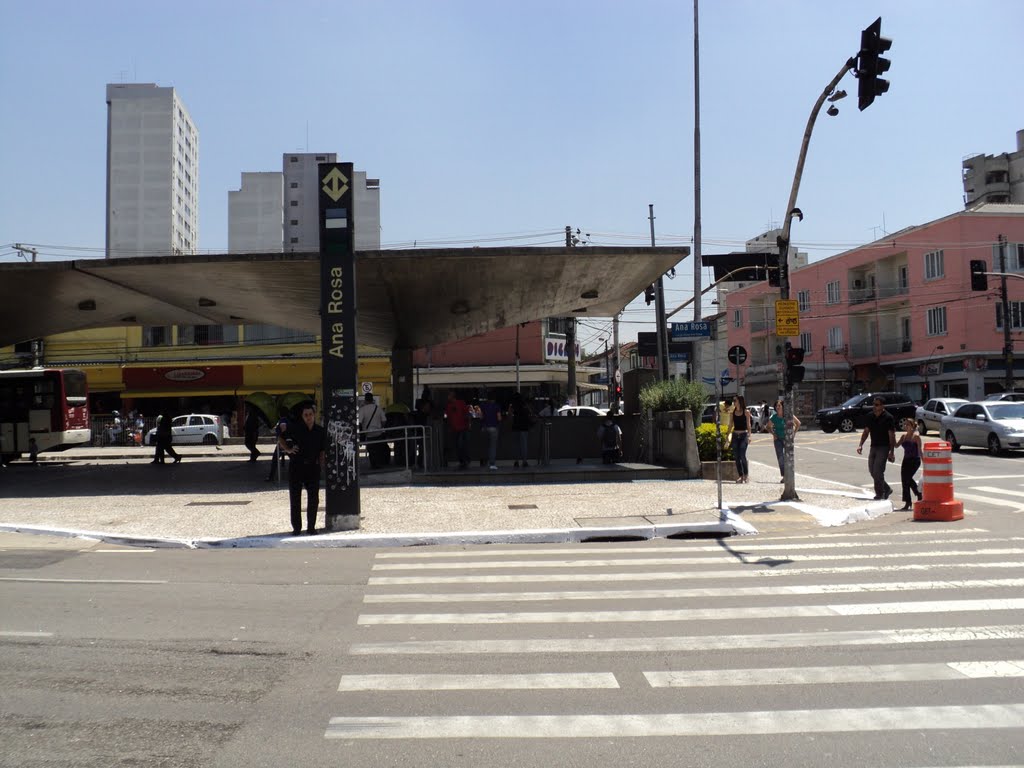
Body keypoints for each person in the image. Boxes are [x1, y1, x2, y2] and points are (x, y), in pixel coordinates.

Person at [280, 403, 326, 535]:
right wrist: (288, 449)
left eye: (310, 414)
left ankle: (311, 527)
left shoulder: (320, 431)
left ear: (314, 415)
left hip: (313, 467)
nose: (308, 417)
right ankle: (296, 528)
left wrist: (321, 466)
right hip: (296, 466)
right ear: (302, 416)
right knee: (295, 499)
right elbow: (280, 438)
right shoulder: (295, 428)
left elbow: (322, 450)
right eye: (306, 415)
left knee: (313, 499)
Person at [856, 397, 897, 500]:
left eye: (877, 405)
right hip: (873, 446)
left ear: (882, 406)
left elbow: (892, 436)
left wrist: (891, 452)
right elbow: (866, 431)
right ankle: (887, 488)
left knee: (878, 471)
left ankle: (880, 493)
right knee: (872, 471)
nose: (874, 406)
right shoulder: (870, 416)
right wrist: (861, 444)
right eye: (874, 404)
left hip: (884, 447)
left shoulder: (888, 417)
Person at [895, 420, 924, 511]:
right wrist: (891, 438)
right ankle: (908, 501)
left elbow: (920, 450)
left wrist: (924, 462)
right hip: (906, 460)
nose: (905, 426)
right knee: (905, 480)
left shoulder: (916, 437)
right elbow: (896, 445)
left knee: (907, 478)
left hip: (915, 460)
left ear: (912, 426)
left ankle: (918, 494)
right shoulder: (903, 437)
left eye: (908, 424)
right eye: (905, 424)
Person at [769, 399, 800, 482]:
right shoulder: (774, 417)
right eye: (776, 406)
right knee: (780, 457)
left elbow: (798, 423)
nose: (777, 407)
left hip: (787, 439)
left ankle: (789, 475)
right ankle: (784, 476)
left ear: (783, 406)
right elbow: (767, 426)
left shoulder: (788, 415)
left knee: (788, 457)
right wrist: (773, 434)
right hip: (778, 439)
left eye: (779, 405)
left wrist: (793, 434)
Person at [359, 393, 387, 469]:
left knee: (371, 450)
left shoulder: (362, 409)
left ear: (365, 400)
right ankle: (379, 464)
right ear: (372, 400)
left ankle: (373, 465)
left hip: (368, 434)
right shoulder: (378, 408)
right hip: (378, 432)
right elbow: (384, 421)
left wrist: (361, 433)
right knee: (378, 449)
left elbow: (359, 422)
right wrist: (380, 426)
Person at [444, 390, 471, 469]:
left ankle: (465, 460)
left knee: (461, 445)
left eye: (449, 396)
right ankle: (463, 461)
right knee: (458, 445)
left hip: (462, 427)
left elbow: (466, 414)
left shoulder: (460, 403)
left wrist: (468, 424)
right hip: (455, 428)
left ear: (452, 396)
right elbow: (449, 418)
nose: (448, 397)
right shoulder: (448, 406)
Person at [508, 393, 533, 468]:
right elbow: (530, 413)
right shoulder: (524, 404)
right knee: (524, 444)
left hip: (515, 426)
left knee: (516, 445)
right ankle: (524, 461)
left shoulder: (513, 406)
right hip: (524, 427)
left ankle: (516, 461)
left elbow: (509, 415)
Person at [265, 410, 291, 482]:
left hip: (283, 442)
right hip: (290, 442)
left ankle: (271, 477)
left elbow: (283, 427)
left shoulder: (283, 420)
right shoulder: (290, 420)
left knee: (275, 459)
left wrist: (281, 436)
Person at [478, 396, 502, 470]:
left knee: (484, 446)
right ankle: (492, 463)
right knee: (492, 447)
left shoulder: (483, 406)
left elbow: (481, 417)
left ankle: (483, 462)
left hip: (484, 428)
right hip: (493, 427)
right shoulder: (496, 406)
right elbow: (499, 418)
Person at [731, 394, 750, 483]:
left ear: (739, 402)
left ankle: (746, 475)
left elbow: (748, 424)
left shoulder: (746, 412)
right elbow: (731, 424)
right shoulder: (733, 412)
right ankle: (740, 476)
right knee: (736, 456)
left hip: (743, 435)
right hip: (735, 435)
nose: (734, 402)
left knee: (742, 455)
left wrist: (749, 436)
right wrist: (727, 436)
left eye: (735, 400)